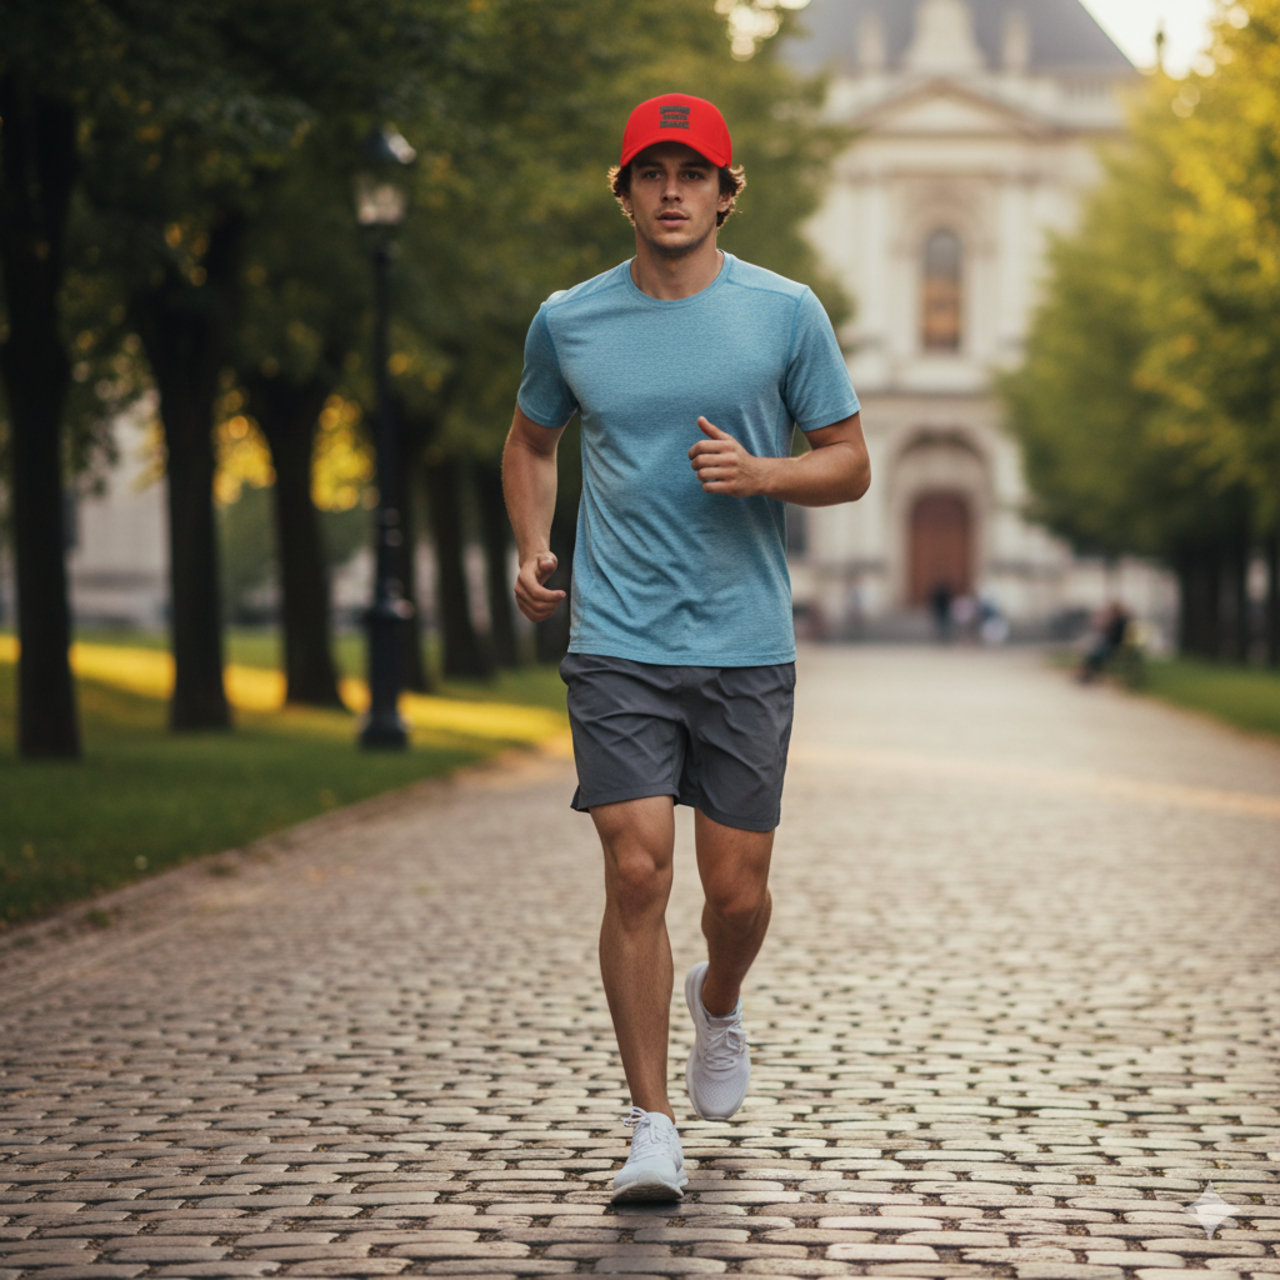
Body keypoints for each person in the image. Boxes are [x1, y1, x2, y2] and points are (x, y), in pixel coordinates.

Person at [502, 93, 871, 1203]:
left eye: (691, 172)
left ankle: (718, 997)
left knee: (737, 890)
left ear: (723, 190)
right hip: (616, 636)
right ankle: (648, 1121)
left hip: (744, 639)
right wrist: (531, 540)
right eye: (650, 172)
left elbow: (849, 461)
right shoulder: (569, 320)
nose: (671, 191)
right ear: (623, 190)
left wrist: (764, 473)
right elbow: (529, 439)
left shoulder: (782, 312)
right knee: (632, 868)